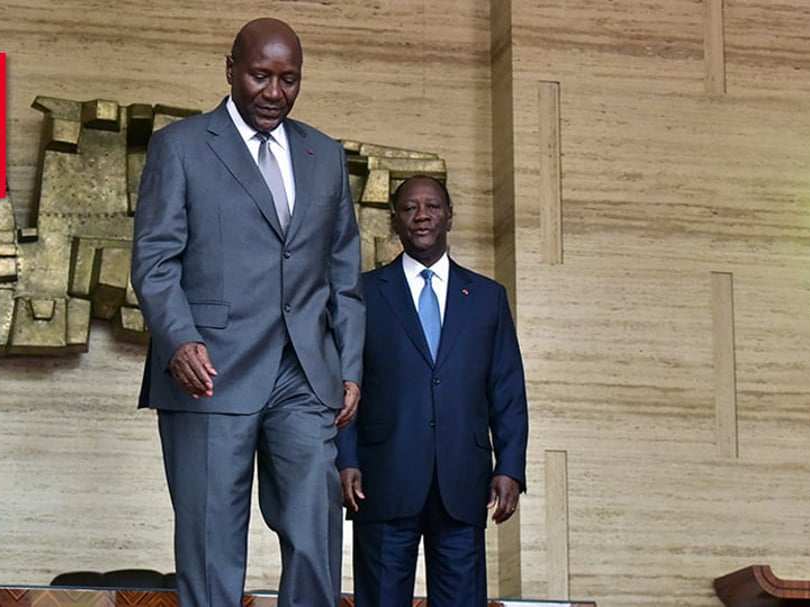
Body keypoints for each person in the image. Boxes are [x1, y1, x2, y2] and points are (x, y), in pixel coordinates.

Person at [130, 17, 364, 607]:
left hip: (302, 373)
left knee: (317, 530)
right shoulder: (180, 146)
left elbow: (344, 275)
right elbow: (155, 259)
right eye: (261, 75)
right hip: (210, 371)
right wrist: (179, 339)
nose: (274, 92)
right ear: (230, 70)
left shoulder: (324, 154)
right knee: (212, 548)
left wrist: (350, 366)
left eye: (289, 79)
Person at [336, 175, 528, 606]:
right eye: (409, 208)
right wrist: (344, 457)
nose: (421, 215)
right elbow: (345, 383)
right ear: (395, 221)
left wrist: (510, 466)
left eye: (432, 207)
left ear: (449, 218)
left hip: (463, 482)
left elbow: (507, 389)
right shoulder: (363, 294)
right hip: (382, 478)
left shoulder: (487, 297)